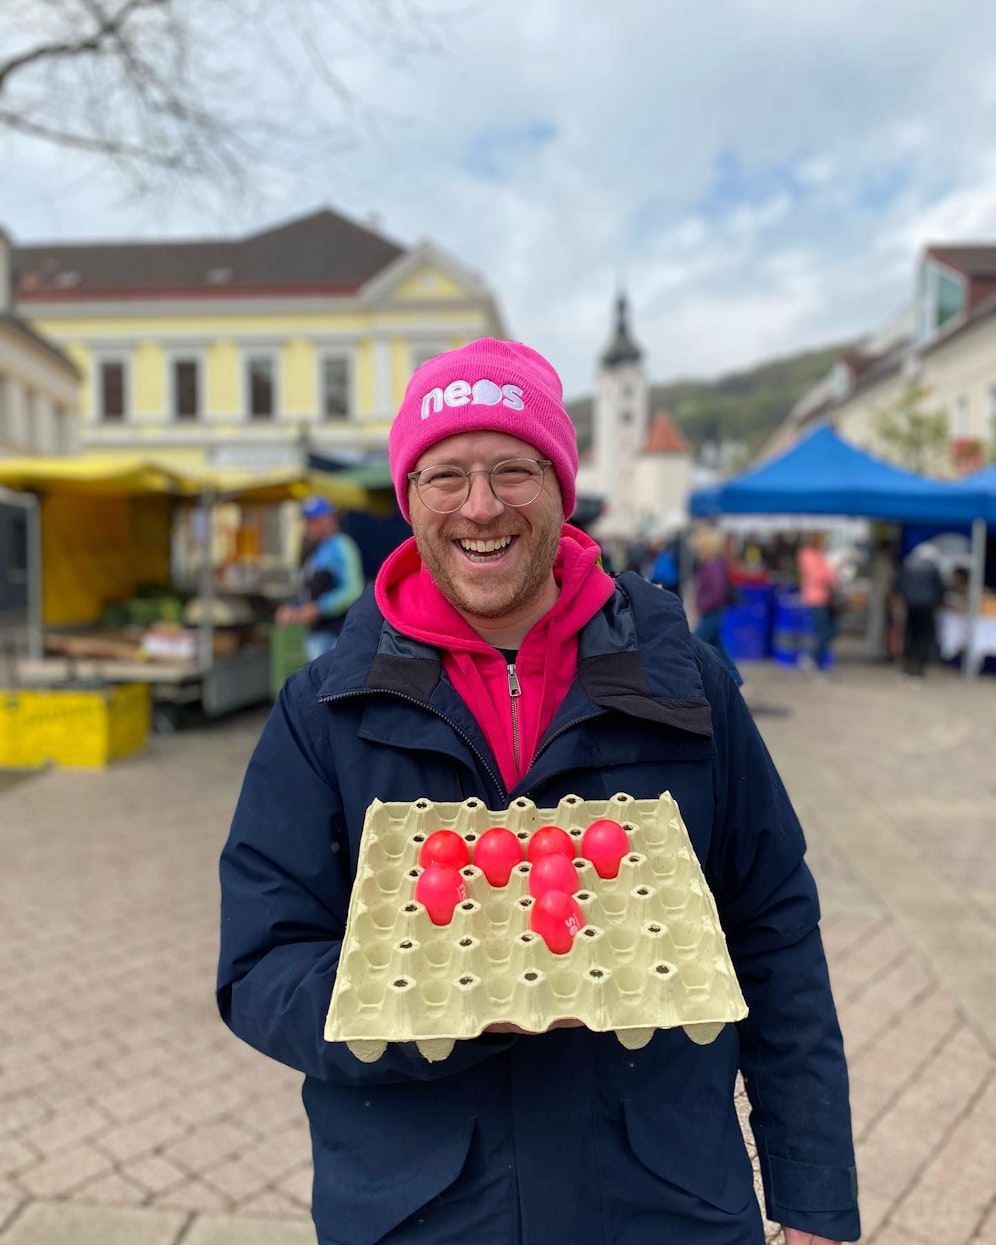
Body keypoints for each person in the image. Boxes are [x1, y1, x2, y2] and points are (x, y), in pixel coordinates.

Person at [217, 339, 859, 1245]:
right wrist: (421, 1006)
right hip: (421, 1211)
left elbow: (774, 929)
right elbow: (261, 963)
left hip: (662, 1203)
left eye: (514, 468)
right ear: (410, 500)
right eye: (445, 475)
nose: (481, 505)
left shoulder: (683, 683)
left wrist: (813, 1194)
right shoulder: (325, 709)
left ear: (563, 485)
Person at [274, 496, 364, 661]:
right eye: (307, 521)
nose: (308, 527)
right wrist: (293, 608)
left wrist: (320, 608)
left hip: (337, 634)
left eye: (312, 521)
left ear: (327, 520)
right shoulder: (314, 550)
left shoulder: (341, 546)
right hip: (317, 635)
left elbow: (353, 590)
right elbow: (310, 592)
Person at [691, 525, 740, 679]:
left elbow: (717, 591)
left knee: (694, 644)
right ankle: (734, 677)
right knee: (718, 648)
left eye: (699, 548)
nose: (697, 551)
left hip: (712, 611)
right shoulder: (715, 564)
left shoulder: (713, 566)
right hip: (714, 610)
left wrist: (702, 604)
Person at [895, 544, 946, 679]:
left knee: (910, 634)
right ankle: (919, 666)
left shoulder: (907, 566)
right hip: (927, 606)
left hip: (910, 605)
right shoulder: (933, 569)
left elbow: (898, 585)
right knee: (923, 636)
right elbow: (940, 588)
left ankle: (907, 664)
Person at [797, 531, 839, 672]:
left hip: (824, 598)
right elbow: (819, 577)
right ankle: (812, 658)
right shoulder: (808, 555)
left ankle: (815, 659)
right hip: (815, 598)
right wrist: (832, 572)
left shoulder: (820, 554)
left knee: (830, 630)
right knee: (825, 631)